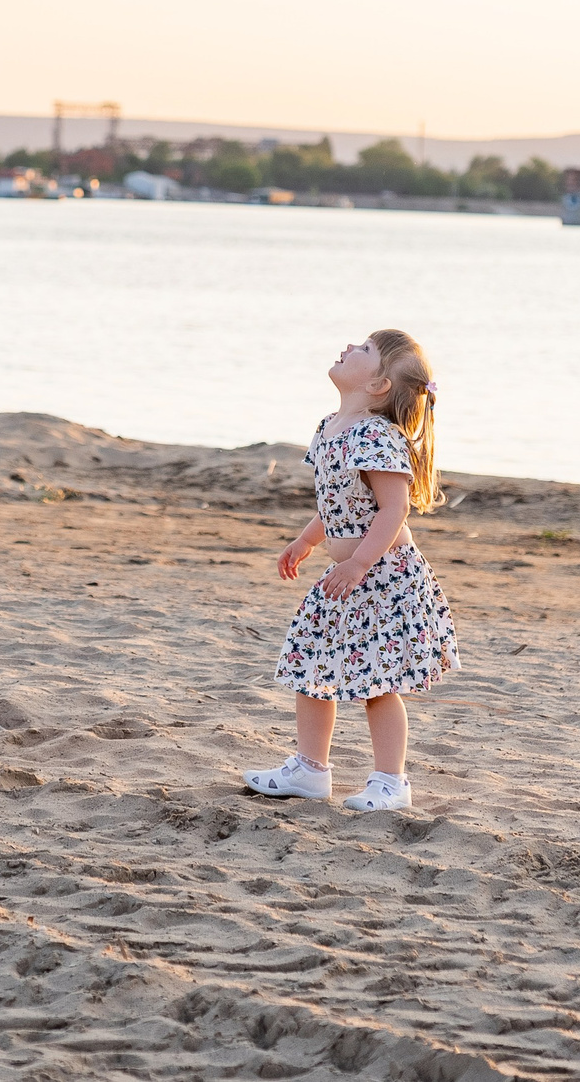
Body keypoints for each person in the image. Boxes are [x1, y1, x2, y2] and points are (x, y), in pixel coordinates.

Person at [243, 328, 459, 812]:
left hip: (382, 574)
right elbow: (337, 501)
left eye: (364, 350)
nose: (348, 347)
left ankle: (390, 782)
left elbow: (393, 509)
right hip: (347, 576)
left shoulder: (376, 435)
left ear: (379, 385)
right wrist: (306, 540)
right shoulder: (328, 428)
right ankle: (310, 770)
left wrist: (361, 561)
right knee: (312, 664)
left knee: (377, 683)